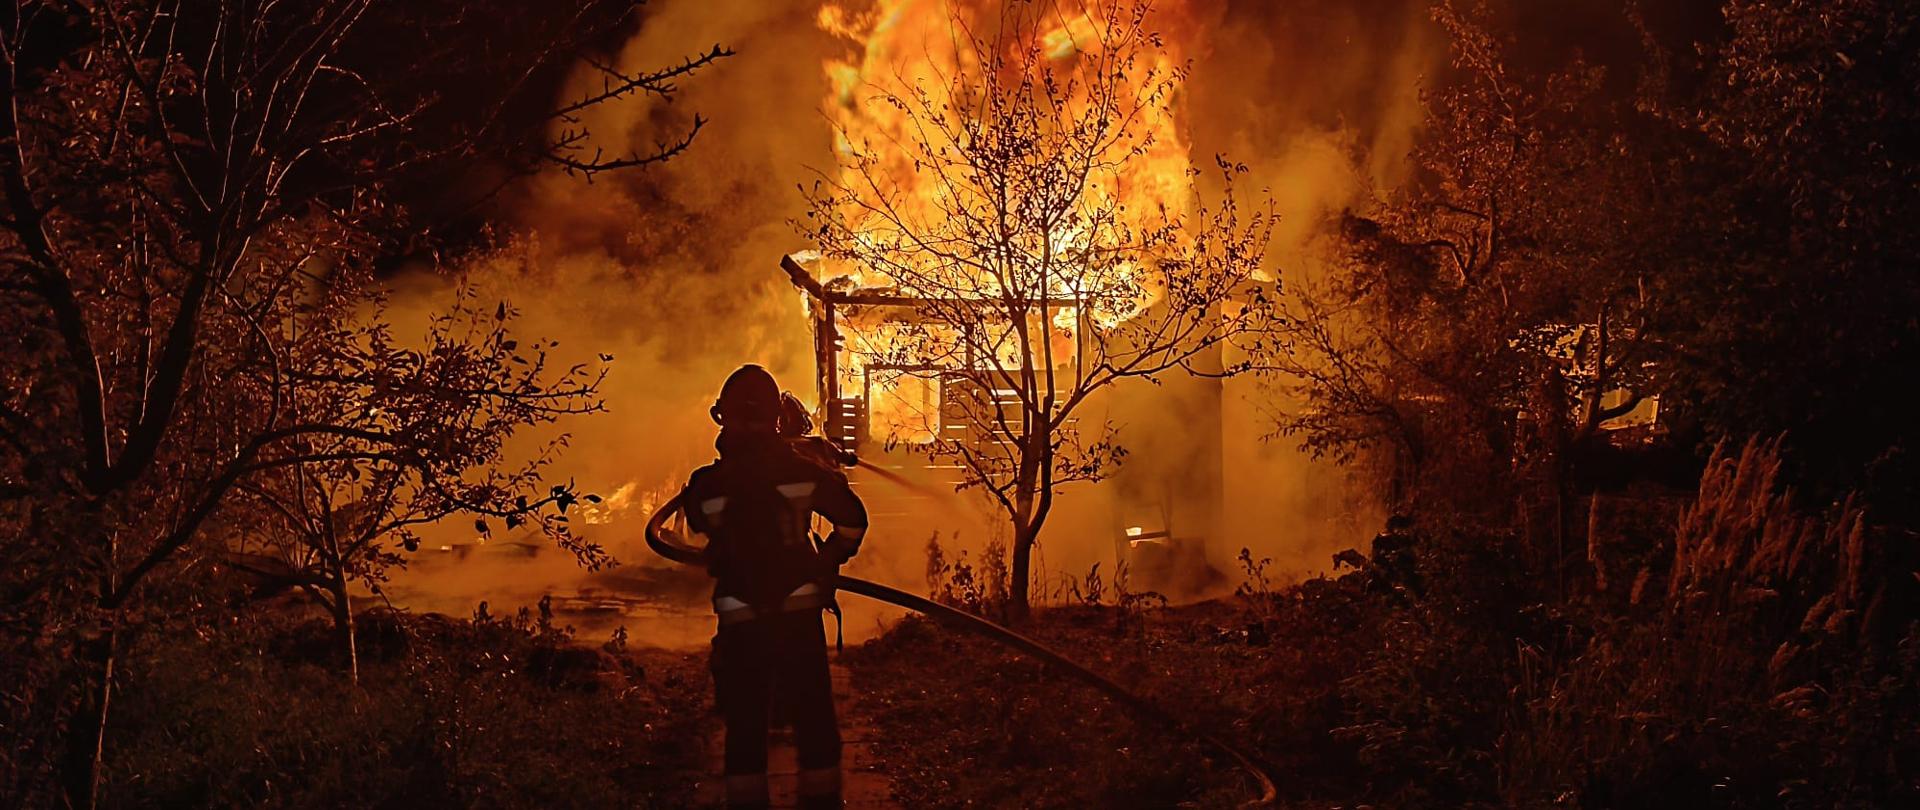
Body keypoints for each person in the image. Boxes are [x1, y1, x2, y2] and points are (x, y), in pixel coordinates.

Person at [681, 365, 869, 810]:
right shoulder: (803, 472)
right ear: (777, 418)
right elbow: (853, 523)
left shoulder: (707, 484)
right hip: (797, 611)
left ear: (721, 416)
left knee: (745, 724)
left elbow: (697, 526)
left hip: (740, 615)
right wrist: (827, 560)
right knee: (813, 718)